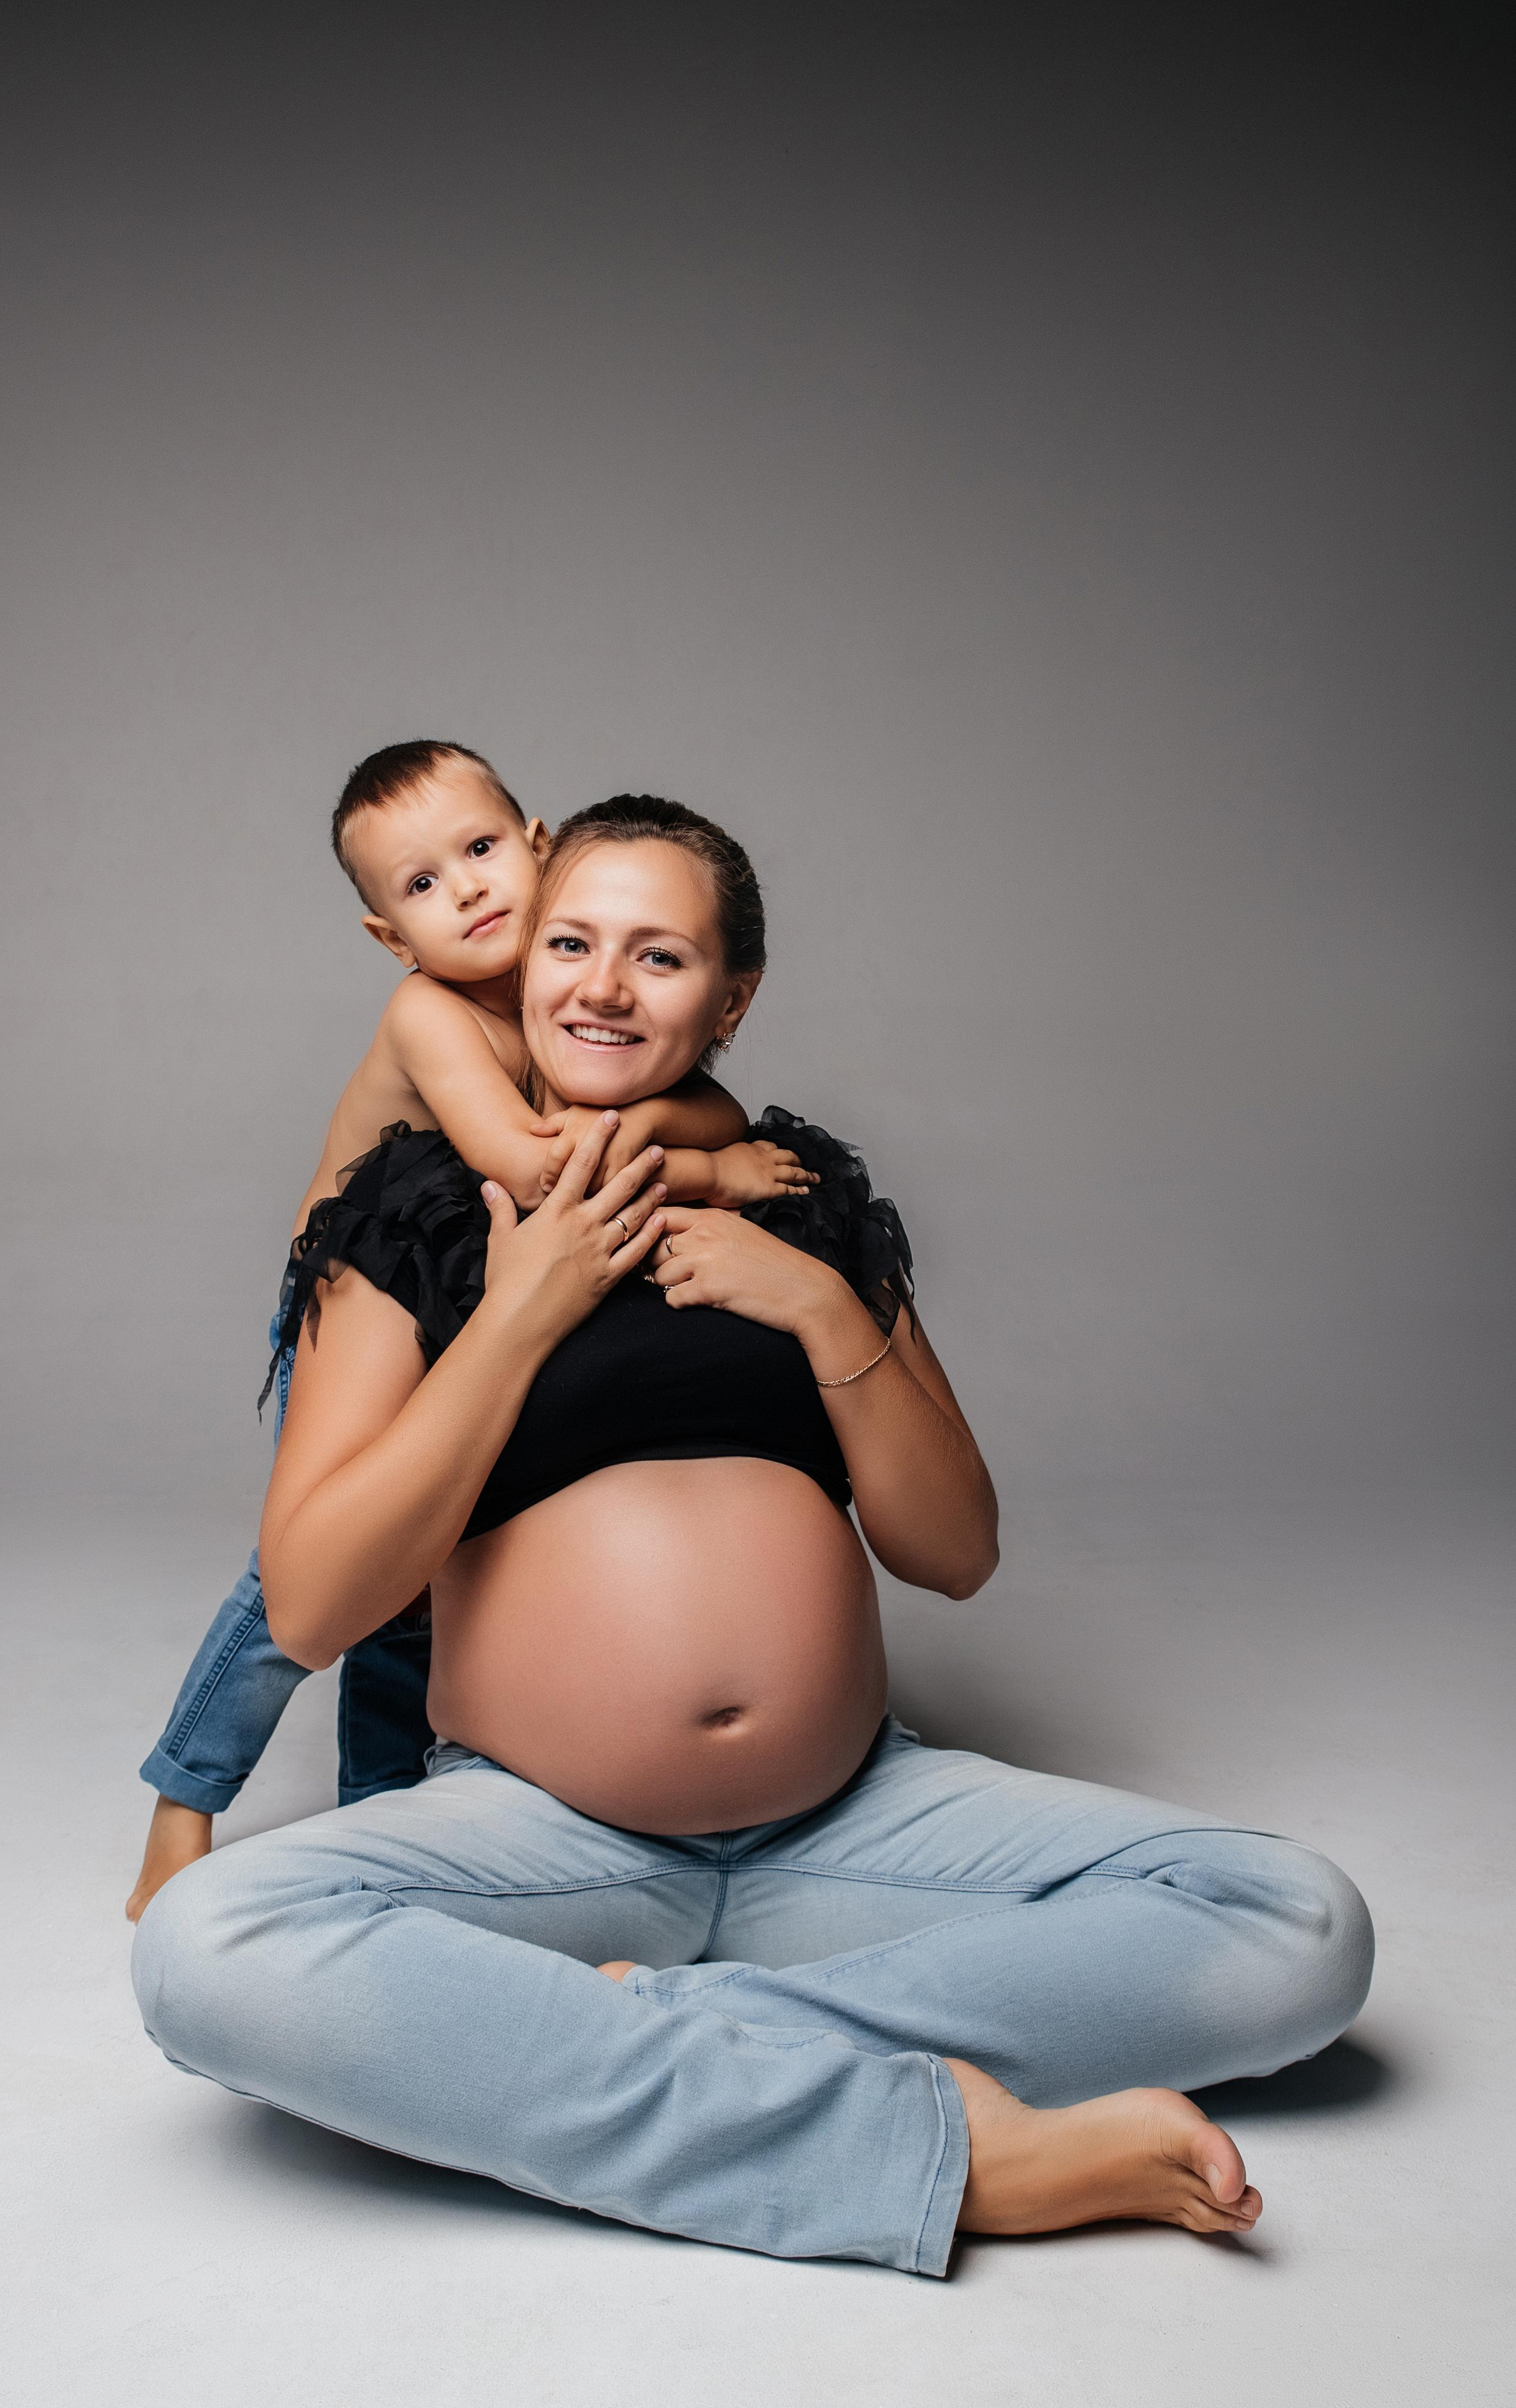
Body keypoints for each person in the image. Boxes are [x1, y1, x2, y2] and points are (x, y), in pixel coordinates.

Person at [131, 794, 1374, 2275]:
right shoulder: (412, 1213)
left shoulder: (798, 1198)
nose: (600, 985)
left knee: (1298, 1925)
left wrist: (817, 1303)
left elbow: (953, 1549)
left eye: (657, 958)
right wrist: (519, 1314)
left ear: (731, 999)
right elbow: (317, 1605)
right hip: (542, 1835)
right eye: (573, 943)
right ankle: (958, 2153)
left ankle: (677, 2043)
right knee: (204, 1949)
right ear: (521, 962)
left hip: (849, 1824)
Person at [127, 746, 811, 1921]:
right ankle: (183, 1801)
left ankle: (384, 1820)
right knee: (312, 1581)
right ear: (392, 939)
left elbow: (705, 1093)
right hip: (354, 1310)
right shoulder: (433, 1011)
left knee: (435, 1568)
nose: (472, 892)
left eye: (485, 851)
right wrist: (711, 1169)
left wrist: (670, 1114)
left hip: (463, 1305)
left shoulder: (570, 979)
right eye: (425, 887)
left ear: (539, 843)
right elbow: (536, 1166)